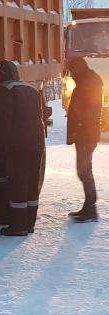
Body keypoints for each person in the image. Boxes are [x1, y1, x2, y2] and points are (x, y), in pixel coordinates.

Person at [0, 60, 47, 236]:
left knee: (18, 183)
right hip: (36, 144)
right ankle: (29, 224)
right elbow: (42, 115)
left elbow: (2, 123)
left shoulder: (5, 92)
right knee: (31, 183)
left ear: (0, 77)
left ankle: (18, 226)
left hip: (19, 145)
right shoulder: (31, 90)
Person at [67, 56, 103, 222]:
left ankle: (90, 208)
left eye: (72, 71)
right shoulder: (87, 81)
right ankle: (89, 207)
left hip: (86, 134)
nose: (71, 74)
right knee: (84, 170)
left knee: (84, 171)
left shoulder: (88, 83)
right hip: (86, 133)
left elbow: (89, 109)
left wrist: (80, 126)